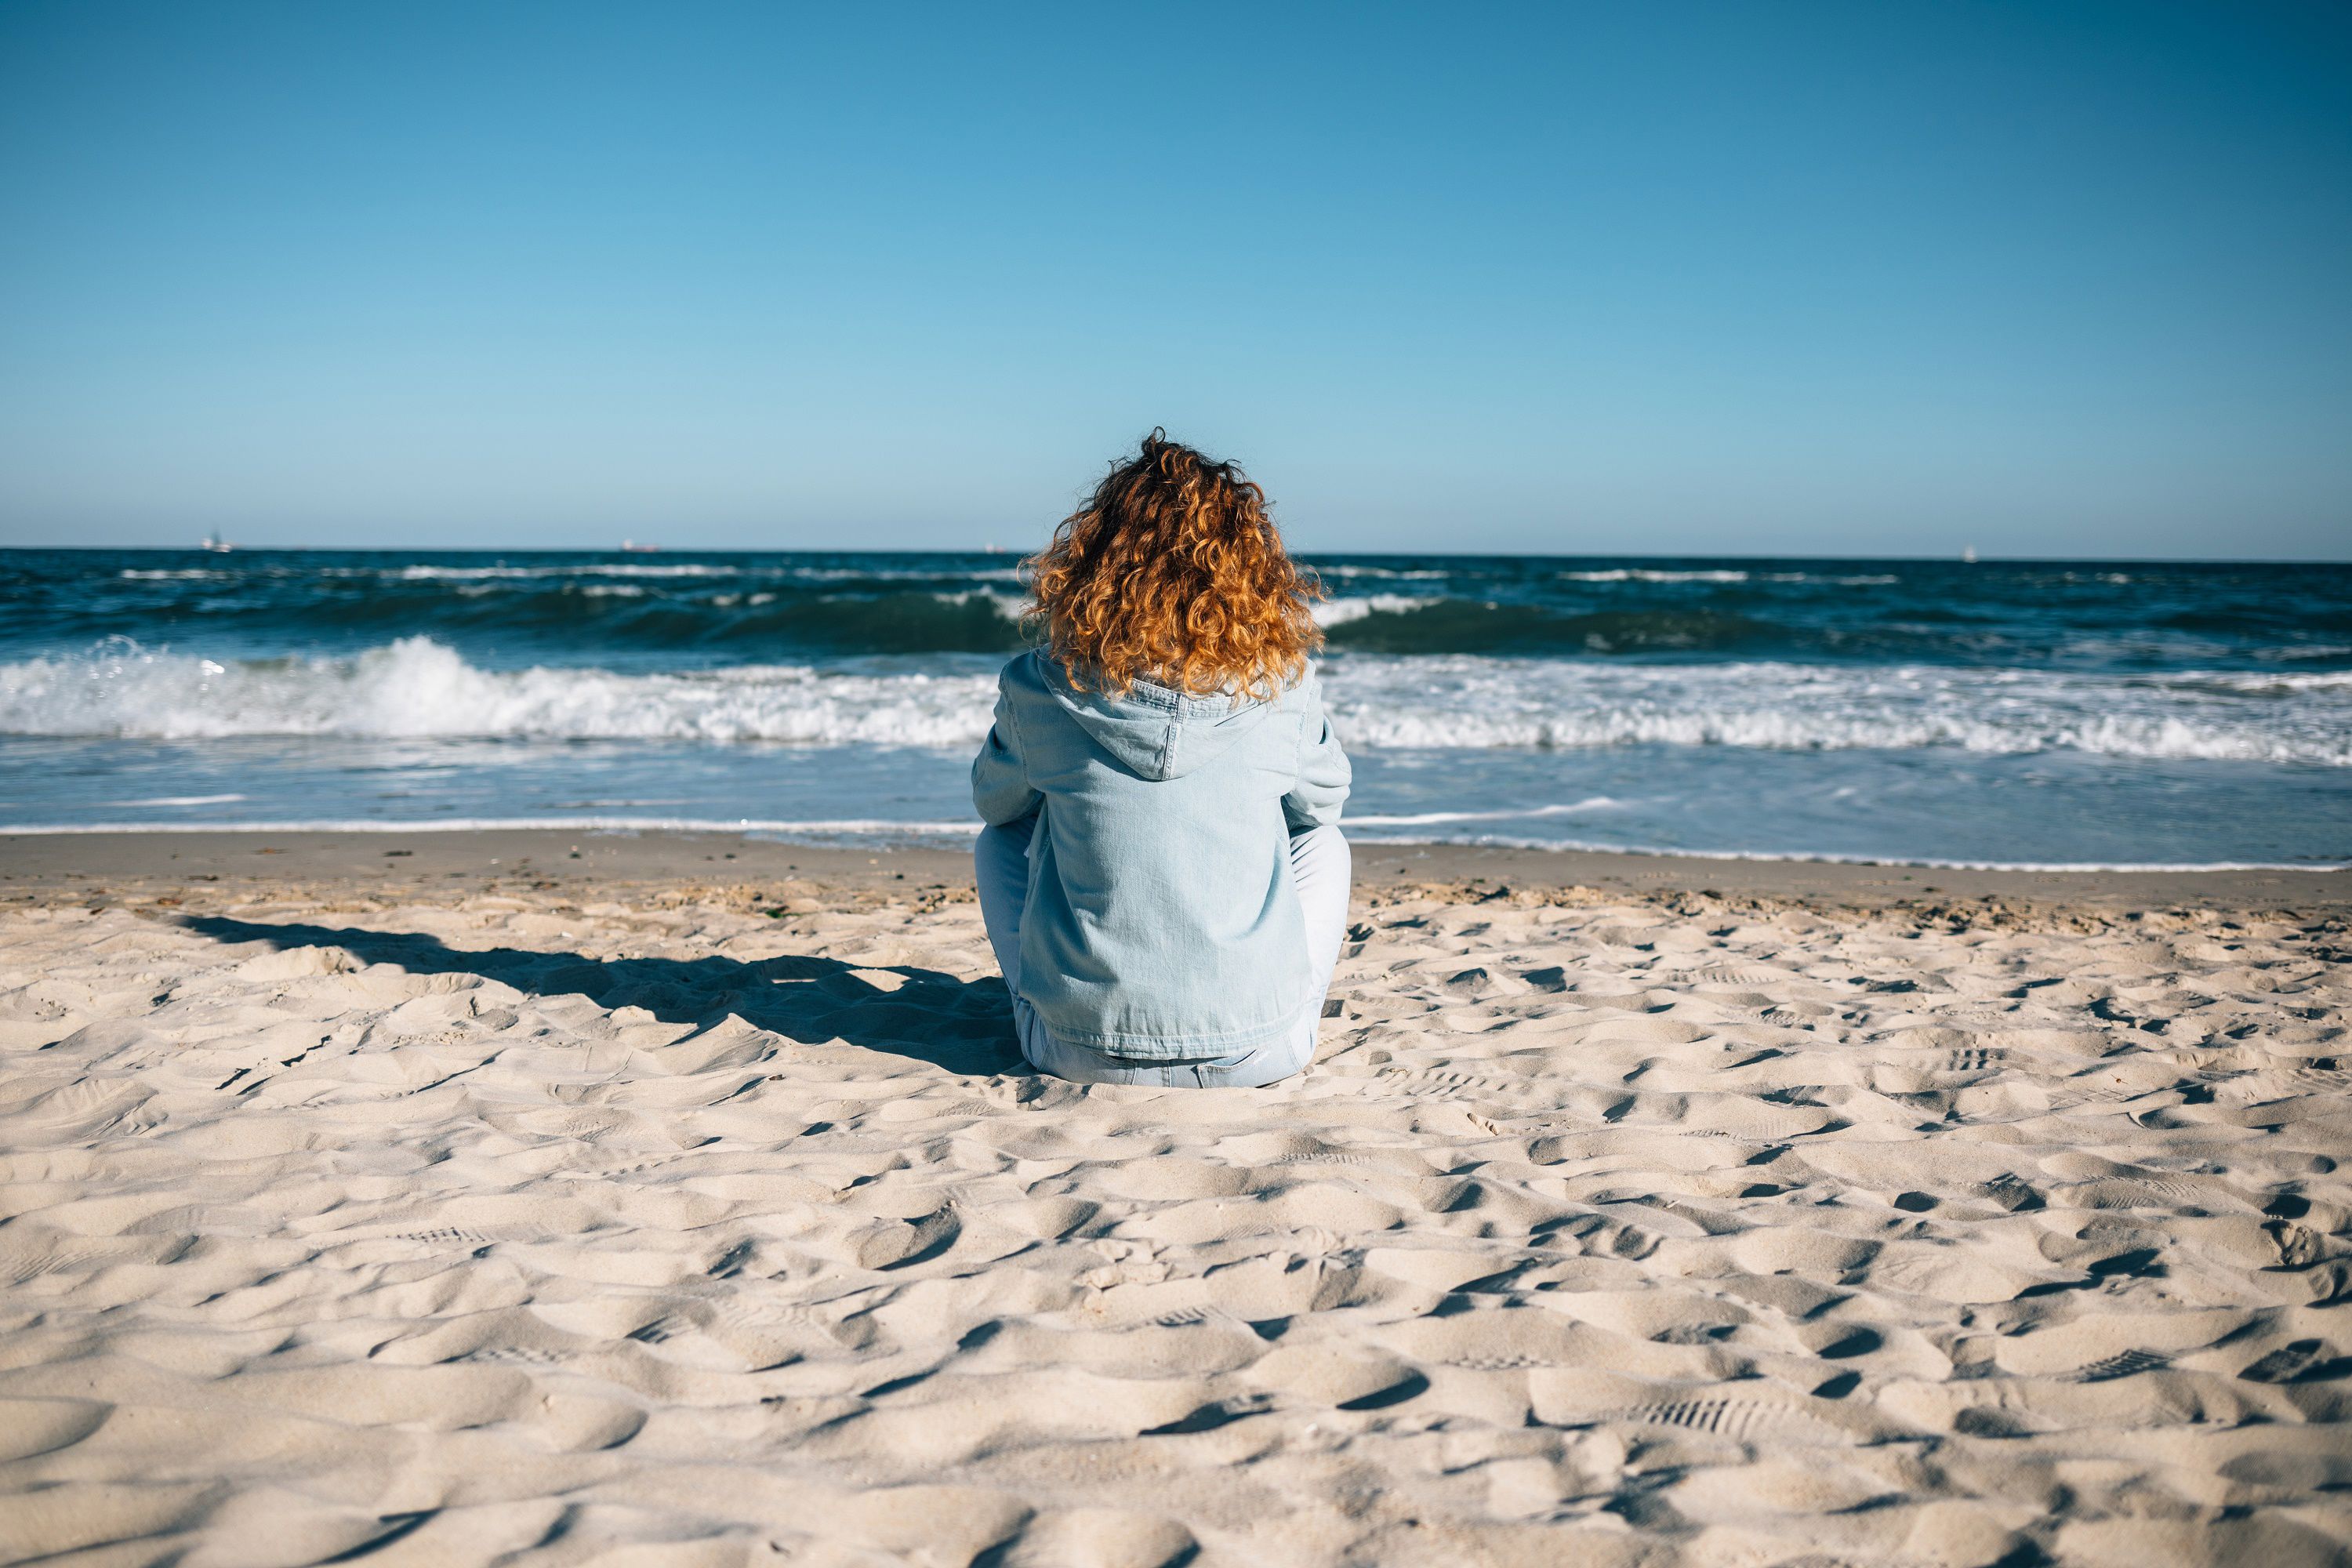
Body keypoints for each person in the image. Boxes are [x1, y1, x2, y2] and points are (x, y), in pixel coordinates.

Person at [971, 430, 1352, 1087]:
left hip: (1075, 1053)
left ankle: (1053, 996)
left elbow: (993, 802)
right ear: (1248, 571)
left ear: (1093, 564)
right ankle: (1254, 996)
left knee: (1002, 837)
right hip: (1256, 1056)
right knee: (1324, 843)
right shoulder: (1281, 683)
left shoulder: (1041, 684)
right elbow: (1324, 803)